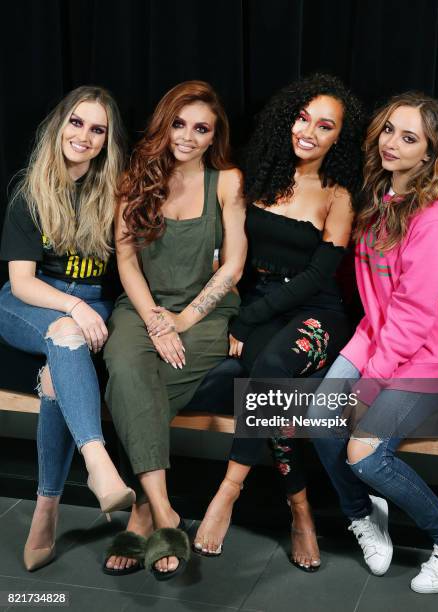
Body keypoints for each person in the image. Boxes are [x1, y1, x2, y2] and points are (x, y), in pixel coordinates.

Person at [310, 92, 438, 592]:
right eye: (389, 130)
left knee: (365, 451)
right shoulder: (379, 196)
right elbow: (380, 302)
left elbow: (412, 316)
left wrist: (367, 389)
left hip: (433, 351)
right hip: (379, 336)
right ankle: (363, 514)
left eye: (410, 139)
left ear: (431, 154)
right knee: (320, 421)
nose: (392, 144)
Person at [193, 74, 365, 572]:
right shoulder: (257, 174)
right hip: (262, 303)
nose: (308, 130)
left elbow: (316, 277)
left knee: (267, 369)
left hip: (318, 312)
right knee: (269, 390)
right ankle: (301, 509)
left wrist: (246, 320)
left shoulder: (337, 194)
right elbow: (234, 255)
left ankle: (227, 493)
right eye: (302, 116)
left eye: (325, 125)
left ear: (339, 138)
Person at [102, 80, 247, 580]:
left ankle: (143, 513)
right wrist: (154, 321)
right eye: (178, 124)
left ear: (213, 137)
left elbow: (232, 267)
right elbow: (126, 261)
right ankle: (167, 514)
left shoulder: (226, 180)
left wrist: (183, 320)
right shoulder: (134, 178)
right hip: (142, 308)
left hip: (204, 316)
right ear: (164, 125)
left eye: (200, 128)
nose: (186, 136)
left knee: (145, 394)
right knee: (125, 367)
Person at [0, 86, 135, 572]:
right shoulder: (30, 191)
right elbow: (21, 282)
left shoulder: (114, 192)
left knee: (59, 374)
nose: (84, 136)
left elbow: (128, 269)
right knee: (66, 332)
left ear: (107, 141)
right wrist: (73, 308)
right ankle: (98, 463)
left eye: (97, 129)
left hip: (91, 308)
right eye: (77, 123)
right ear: (60, 125)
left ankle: (47, 507)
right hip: (28, 303)